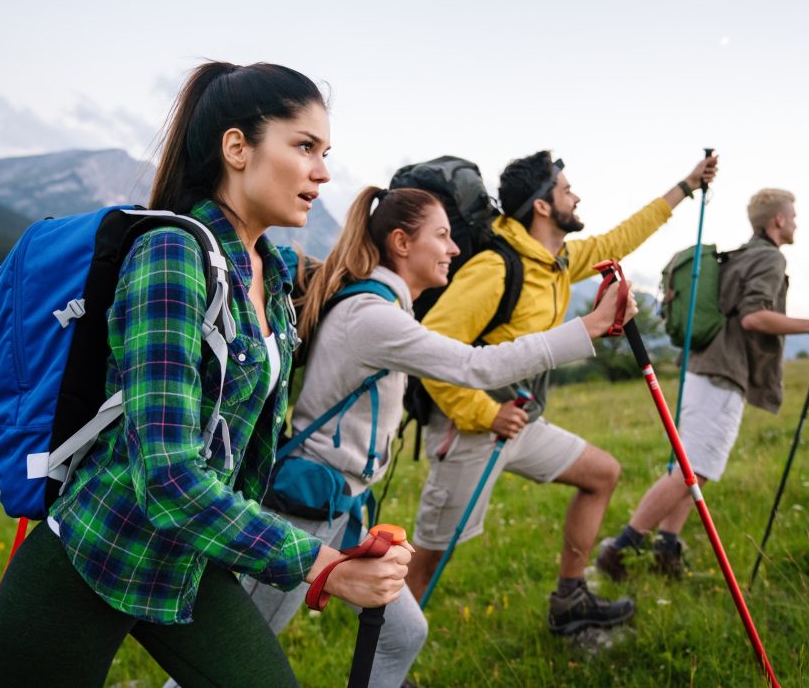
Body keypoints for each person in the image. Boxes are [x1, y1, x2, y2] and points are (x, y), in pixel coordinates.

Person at [0, 62, 411, 688]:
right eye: (304, 147)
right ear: (237, 148)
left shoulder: (270, 272)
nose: (323, 172)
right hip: (92, 557)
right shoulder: (172, 255)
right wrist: (322, 565)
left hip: (188, 557)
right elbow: (168, 476)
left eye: (325, 153)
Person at [244, 184, 637, 687]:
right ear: (402, 243)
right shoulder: (372, 316)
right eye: (443, 235)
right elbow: (477, 367)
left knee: (403, 633)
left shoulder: (385, 308)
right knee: (238, 662)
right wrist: (590, 326)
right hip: (305, 508)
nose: (454, 248)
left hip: (340, 507)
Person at [405, 150, 719, 636]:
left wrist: (687, 185)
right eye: (566, 189)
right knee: (427, 560)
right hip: (468, 429)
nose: (577, 197)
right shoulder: (496, 268)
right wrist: (485, 413)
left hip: (521, 422)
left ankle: (570, 600)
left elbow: (622, 238)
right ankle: (379, 659)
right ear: (543, 206)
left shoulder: (558, 262)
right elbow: (430, 350)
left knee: (602, 474)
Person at [596, 188, 809, 581]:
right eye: (793, 216)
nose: (796, 223)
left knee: (694, 466)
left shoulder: (740, 255)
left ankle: (666, 548)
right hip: (722, 372)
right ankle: (620, 549)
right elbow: (753, 317)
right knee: (692, 470)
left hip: (702, 367)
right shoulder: (769, 259)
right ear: (778, 219)